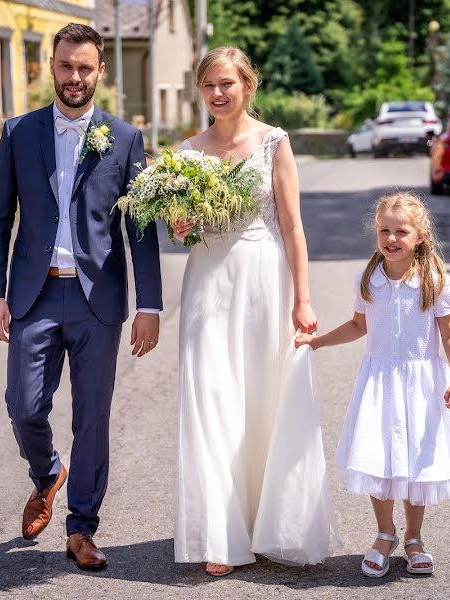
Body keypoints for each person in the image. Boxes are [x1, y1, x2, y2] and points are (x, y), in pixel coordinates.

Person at [0, 23, 162, 570]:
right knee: (24, 405)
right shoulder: (17, 132)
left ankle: (81, 527)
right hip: (33, 296)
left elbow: (141, 228)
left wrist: (149, 305)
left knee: (93, 418)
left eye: (85, 68)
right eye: (66, 66)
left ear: (99, 71)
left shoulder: (125, 139)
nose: (75, 77)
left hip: (96, 300)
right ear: (50, 67)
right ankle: (47, 473)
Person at [171, 47, 336, 576]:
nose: (217, 94)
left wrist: (303, 299)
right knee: (210, 398)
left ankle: (270, 522)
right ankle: (220, 534)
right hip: (208, 283)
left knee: (263, 400)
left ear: (247, 85)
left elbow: (292, 226)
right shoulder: (187, 151)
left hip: (266, 280)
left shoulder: (273, 143)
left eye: (226, 84)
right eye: (208, 86)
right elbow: (188, 229)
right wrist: (183, 227)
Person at [296, 192, 450, 578]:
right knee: (379, 457)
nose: (391, 238)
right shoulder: (368, 278)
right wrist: (315, 342)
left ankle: (414, 537)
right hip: (380, 381)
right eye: (384, 230)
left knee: (418, 461)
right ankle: (385, 533)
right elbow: (358, 325)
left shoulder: (433, 278)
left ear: (419, 235)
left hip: (422, 382)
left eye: (401, 231)